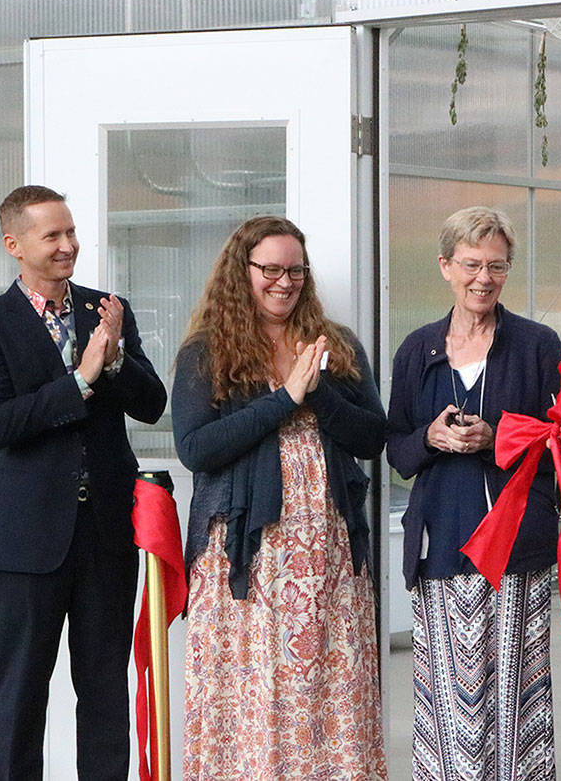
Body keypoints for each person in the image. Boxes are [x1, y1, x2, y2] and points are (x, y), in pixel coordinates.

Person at [0, 184, 167, 780]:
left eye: (70, 232)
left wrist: (117, 354)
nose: (67, 245)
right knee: (20, 697)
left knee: (104, 692)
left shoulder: (107, 309)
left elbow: (153, 405)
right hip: (26, 543)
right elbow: (0, 424)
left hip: (105, 536)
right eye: (52, 235)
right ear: (13, 245)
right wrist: (80, 379)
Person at [173, 216, 387, 779]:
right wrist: (285, 398)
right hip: (246, 562)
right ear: (241, 271)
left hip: (329, 562)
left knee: (328, 696)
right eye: (270, 269)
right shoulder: (206, 350)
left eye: (295, 270)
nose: (284, 282)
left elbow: (373, 437)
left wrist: (317, 396)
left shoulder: (334, 346)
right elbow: (196, 447)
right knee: (252, 696)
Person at [388, 206, 561, 780]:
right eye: (470, 265)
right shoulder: (417, 349)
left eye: (496, 266)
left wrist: (497, 438)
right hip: (441, 542)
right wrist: (430, 436)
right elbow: (396, 450)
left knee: (519, 699)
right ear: (446, 266)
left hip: (517, 545)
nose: (483, 278)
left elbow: (560, 446)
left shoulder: (538, 345)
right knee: (448, 705)